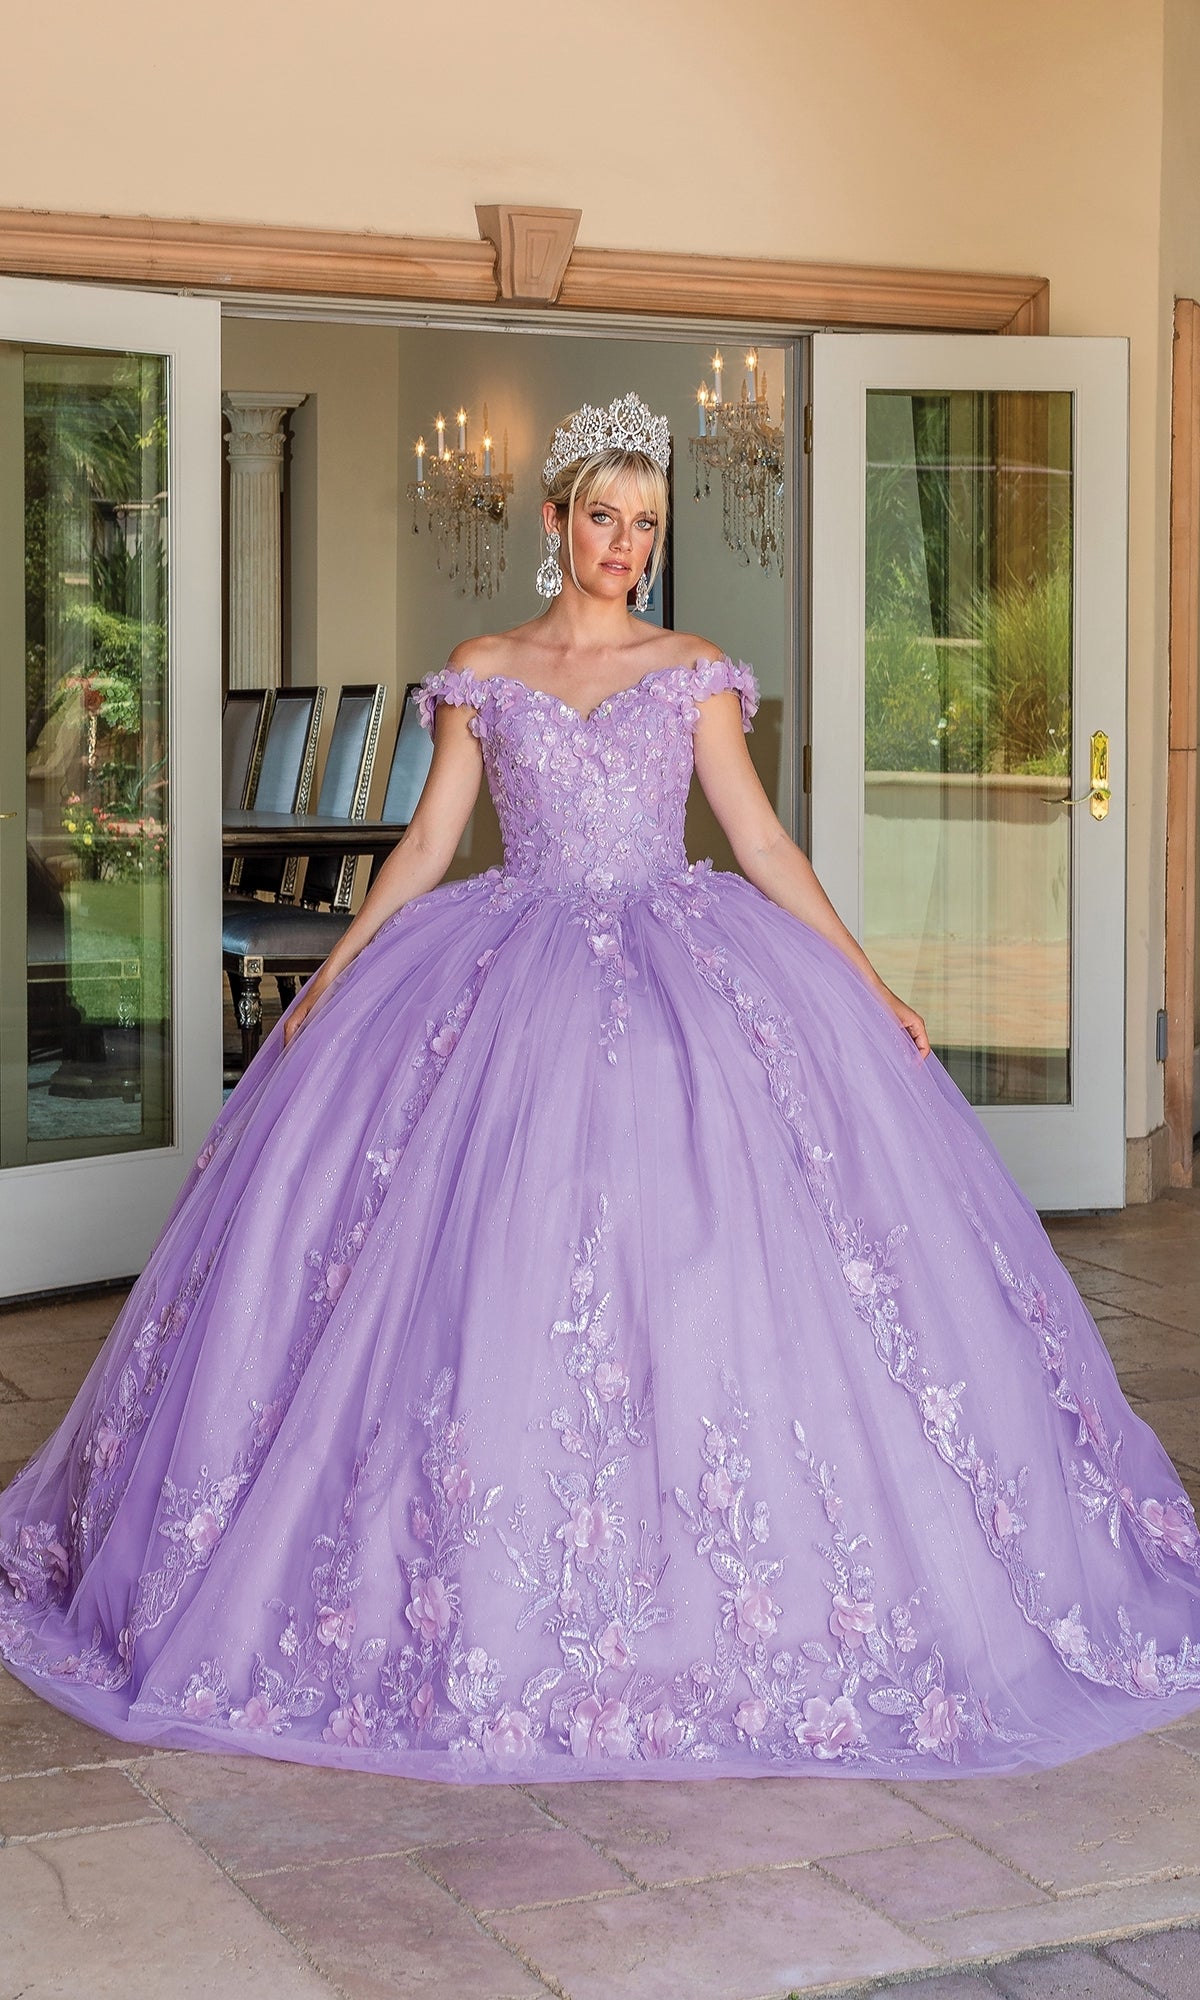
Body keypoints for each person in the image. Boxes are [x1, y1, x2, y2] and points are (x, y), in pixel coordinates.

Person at [2, 392, 1199, 1783]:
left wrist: (869, 985)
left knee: (702, 1263)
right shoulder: (483, 669)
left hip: (680, 975)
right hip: (505, 978)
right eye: (604, 517)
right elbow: (431, 842)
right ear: (557, 519)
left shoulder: (691, 671)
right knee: (472, 1264)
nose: (623, 544)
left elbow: (758, 843)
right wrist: (334, 977)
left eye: (645, 524)